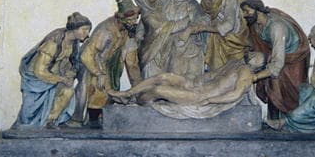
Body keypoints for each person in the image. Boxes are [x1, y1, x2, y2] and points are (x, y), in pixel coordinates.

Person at [12, 12, 92, 129]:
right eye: (84, 30)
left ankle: (50, 121)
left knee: (68, 92)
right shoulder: (53, 43)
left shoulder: (74, 42)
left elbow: (73, 62)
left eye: (88, 30)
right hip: (35, 80)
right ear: (74, 29)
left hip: (54, 77)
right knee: (28, 116)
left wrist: (70, 74)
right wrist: (62, 79)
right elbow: (39, 71)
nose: (87, 34)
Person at [240, 0, 310, 123]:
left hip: (293, 58)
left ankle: (291, 121)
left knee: (287, 91)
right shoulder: (256, 24)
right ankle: (273, 119)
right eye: (243, 12)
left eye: (247, 11)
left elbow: (277, 64)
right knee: (272, 84)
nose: (244, 15)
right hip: (276, 54)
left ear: (258, 10)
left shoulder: (276, 27)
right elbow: (255, 44)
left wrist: (255, 77)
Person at [108, 53, 267, 107]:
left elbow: (235, 94)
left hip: (199, 95)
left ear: (257, 66)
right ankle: (128, 93)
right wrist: (195, 79)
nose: (253, 55)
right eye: (254, 53)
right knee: (164, 77)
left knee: (158, 90)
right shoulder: (236, 63)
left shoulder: (246, 74)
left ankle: (134, 101)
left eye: (257, 57)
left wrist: (210, 100)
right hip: (194, 84)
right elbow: (214, 74)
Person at [76, 0, 141, 128]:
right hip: (93, 64)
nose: (134, 23)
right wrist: (98, 73)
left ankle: (102, 119)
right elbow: (86, 55)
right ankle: (91, 120)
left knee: (111, 92)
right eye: (130, 20)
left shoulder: (128, 32)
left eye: (135, 19)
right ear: (120, 18)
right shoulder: (105, 31)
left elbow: (132, 63)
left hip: (111, 66)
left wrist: (138, 89)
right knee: (98, 90)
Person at [135, 0, 208, 79]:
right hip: (158, 47)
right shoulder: (163, 0)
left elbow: (203, 19)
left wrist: (193, 27)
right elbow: (146, 19)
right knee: (155, 78)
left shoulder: (193, 5)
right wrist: (139, 35)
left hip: (180, 48)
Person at [190, 0, 251, 71]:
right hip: (214, 33)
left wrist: (205, 28)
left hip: (231, 38)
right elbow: (204, 13)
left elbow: (229, 25)